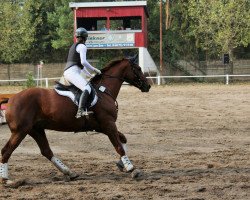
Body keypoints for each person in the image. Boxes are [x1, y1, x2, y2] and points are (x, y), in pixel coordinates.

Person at [63, 27, 101, 118]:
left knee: (86, 85)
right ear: (85, 38)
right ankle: (80, 111)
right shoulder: (83, 46)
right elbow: (84, 62)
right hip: (72, 72)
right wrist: (94, 70)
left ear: (77, 37)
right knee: (87, 88)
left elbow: (81, 66)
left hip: (70, 71)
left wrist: (90, 75)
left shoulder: (73, 46)